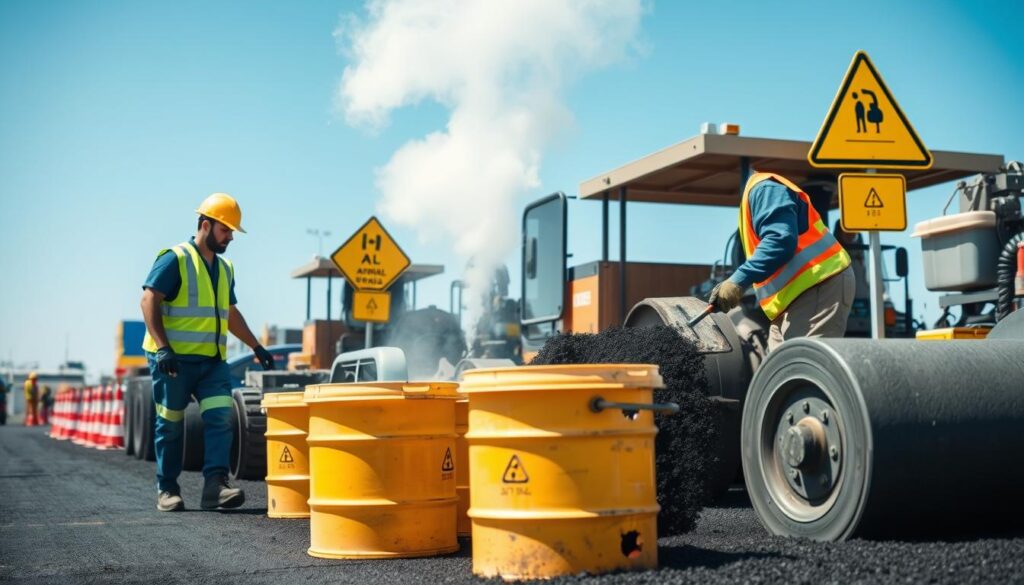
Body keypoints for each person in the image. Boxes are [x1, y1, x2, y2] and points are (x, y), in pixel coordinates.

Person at [140, 193, 276, 512]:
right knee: (171, 424)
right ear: (205, 225)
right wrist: (163, 348)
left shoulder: (225, 268)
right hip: (173, 360)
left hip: (212, 364)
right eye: (225, 230)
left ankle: (215, 486)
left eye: (231, 231)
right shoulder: (175, 259)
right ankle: (168, 489)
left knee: (220, 419)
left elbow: (229, 313)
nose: (230, 237)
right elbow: (149, 300)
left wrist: (256, 346)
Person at [710, 172, 854, 352]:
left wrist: (738, 280)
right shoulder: (757, 195)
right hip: (794, 297)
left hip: (818, 283)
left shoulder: (764, 189)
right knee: (777, 368)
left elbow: (780, 240)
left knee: (800, 366)